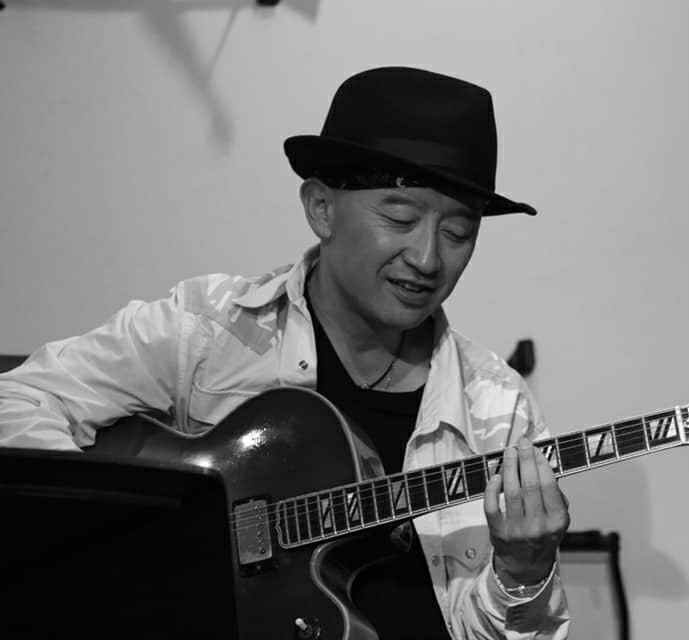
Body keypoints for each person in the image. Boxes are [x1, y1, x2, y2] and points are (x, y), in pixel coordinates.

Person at [0, 67, 571, 638]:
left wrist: (523, 571)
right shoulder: (209, 330)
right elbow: (17, 400)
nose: (427, 258)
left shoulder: (496, 404)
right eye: (400, 218)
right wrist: (120, 538)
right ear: (321, 207)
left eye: (458, 233)